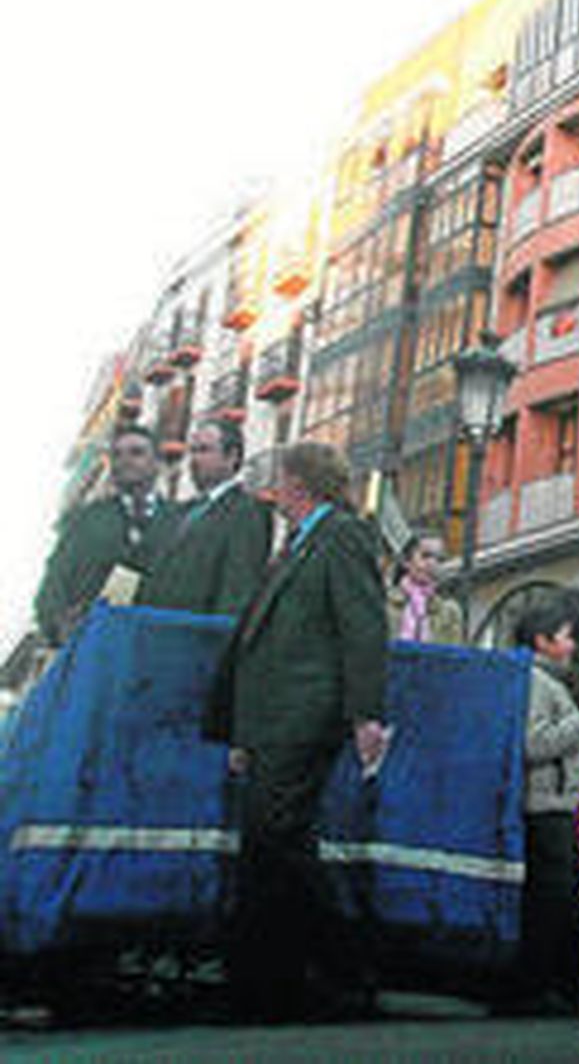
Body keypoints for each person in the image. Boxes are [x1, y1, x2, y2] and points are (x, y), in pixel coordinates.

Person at [202, 440, 389, 1023]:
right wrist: (243, 730)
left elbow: (361, 627)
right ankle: (277, 982)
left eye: (277, 478)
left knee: (275, 837)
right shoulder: (295, 545)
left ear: (300, 484)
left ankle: (336, 972)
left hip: (307, 715)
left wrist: (366, 714)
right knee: (274, 845)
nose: (270, 488)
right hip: (274, 719)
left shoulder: (343, 536)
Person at [505, 590, 579, 1015]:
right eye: (564, 636)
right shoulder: (536, 682)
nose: (573, 644)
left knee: (554, 899)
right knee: (549, 900)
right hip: (545, 803)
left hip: (553, 801)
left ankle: (540, 985)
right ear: (542, 641)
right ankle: (532, 988)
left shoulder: (544, 680)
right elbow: (534, 742)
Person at [34, 425, 179, 646]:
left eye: (137, 452)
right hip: (95, 649)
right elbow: (54, 583)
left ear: (157, 462)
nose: (125, 460)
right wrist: (58, 626)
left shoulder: (181, 521)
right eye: (117, 454)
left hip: (159, 649)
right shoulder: (84, 520)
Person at [136, 418, 272, 617]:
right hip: (148, 631)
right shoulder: (176, 513)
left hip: (193, 638)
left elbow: (237, 592)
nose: (194, 459)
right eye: (192, 451)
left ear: (232, 456)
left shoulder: (247, 512)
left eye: (204, 450)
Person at [386, 532, 466, 645]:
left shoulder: (449, 613)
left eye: (439, 559)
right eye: (425, 556)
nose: (432, 563)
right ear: (407, 562)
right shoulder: (384, 604)